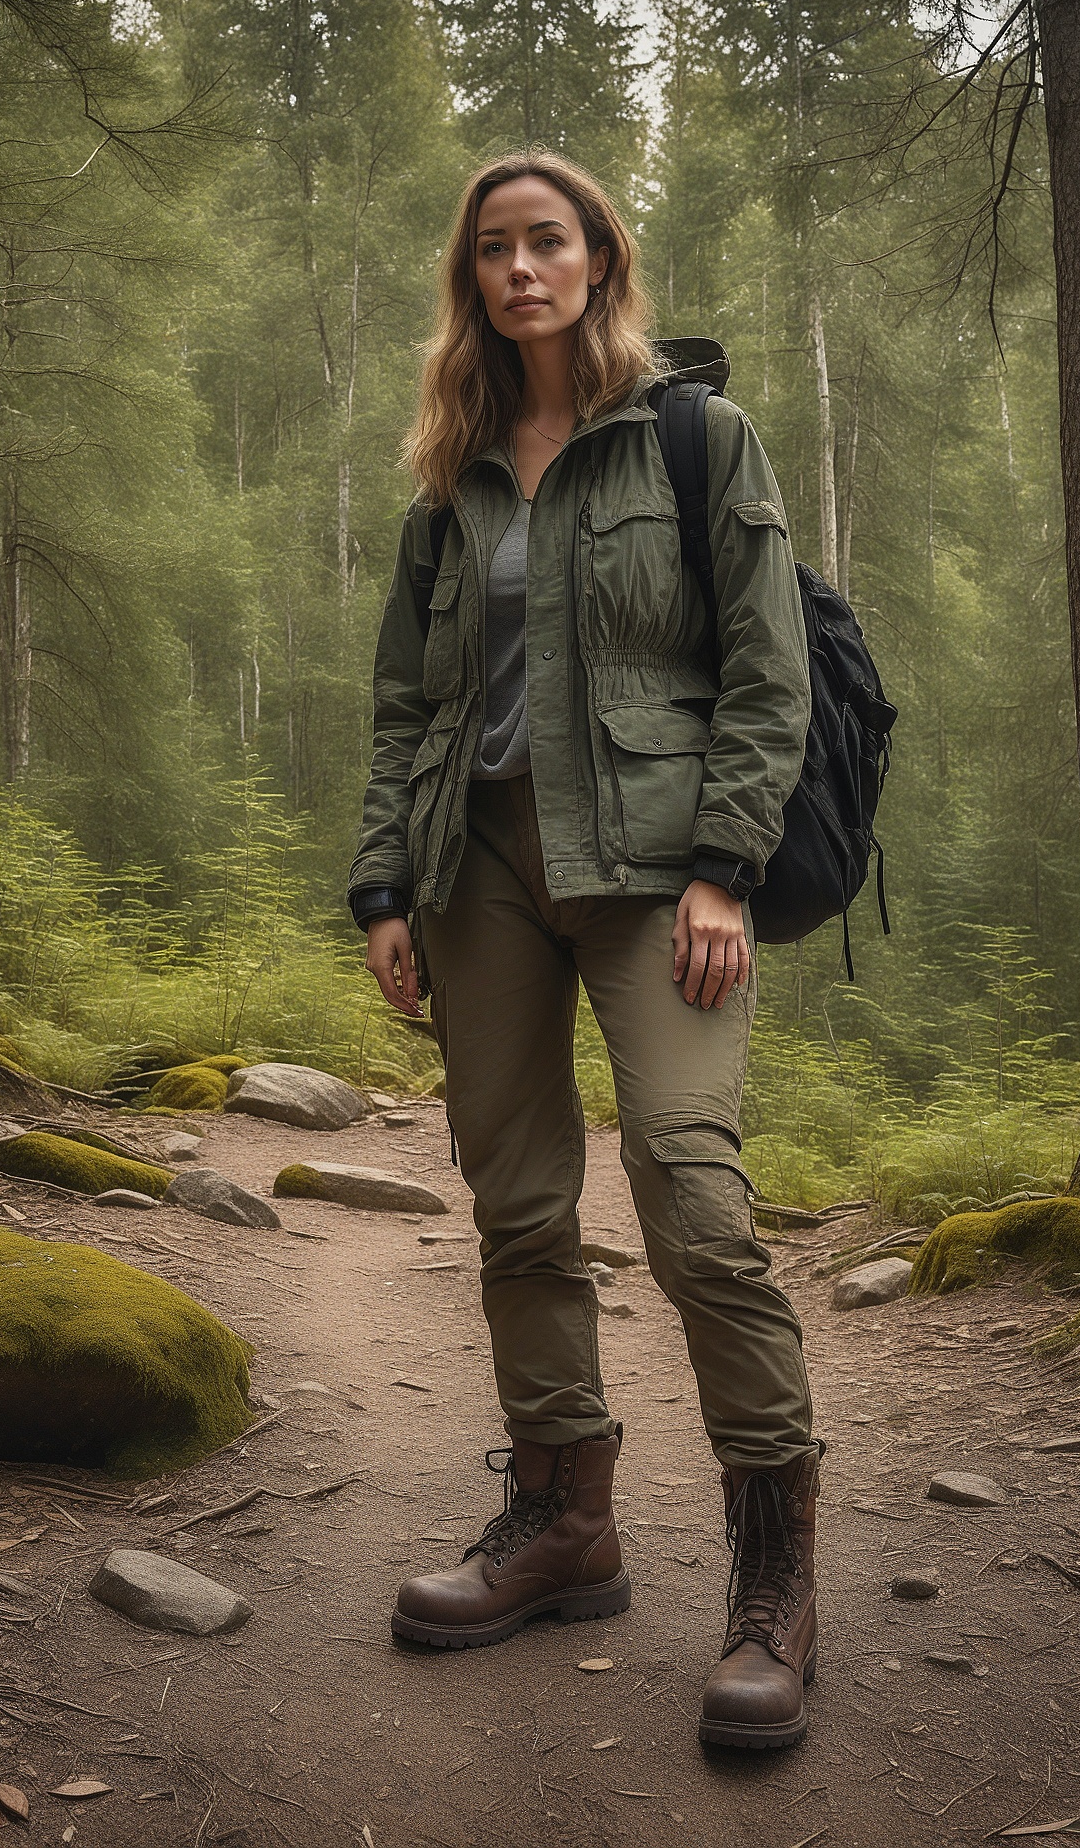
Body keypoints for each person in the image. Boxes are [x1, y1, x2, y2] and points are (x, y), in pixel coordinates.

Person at [347, 151, 823, 1750]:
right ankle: (566, 1524)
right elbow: (408, 711)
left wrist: (725, 871)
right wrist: (383, 893)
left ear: (602, 259)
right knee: (517, 1196)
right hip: (478, 870)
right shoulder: (455, 479)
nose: (520, 270)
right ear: (471, 278)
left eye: (547, 241)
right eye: (494, 249)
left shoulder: (692, 439)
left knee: (693, 1194)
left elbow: (768, 675)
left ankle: (776, 1586)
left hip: (656, 879)